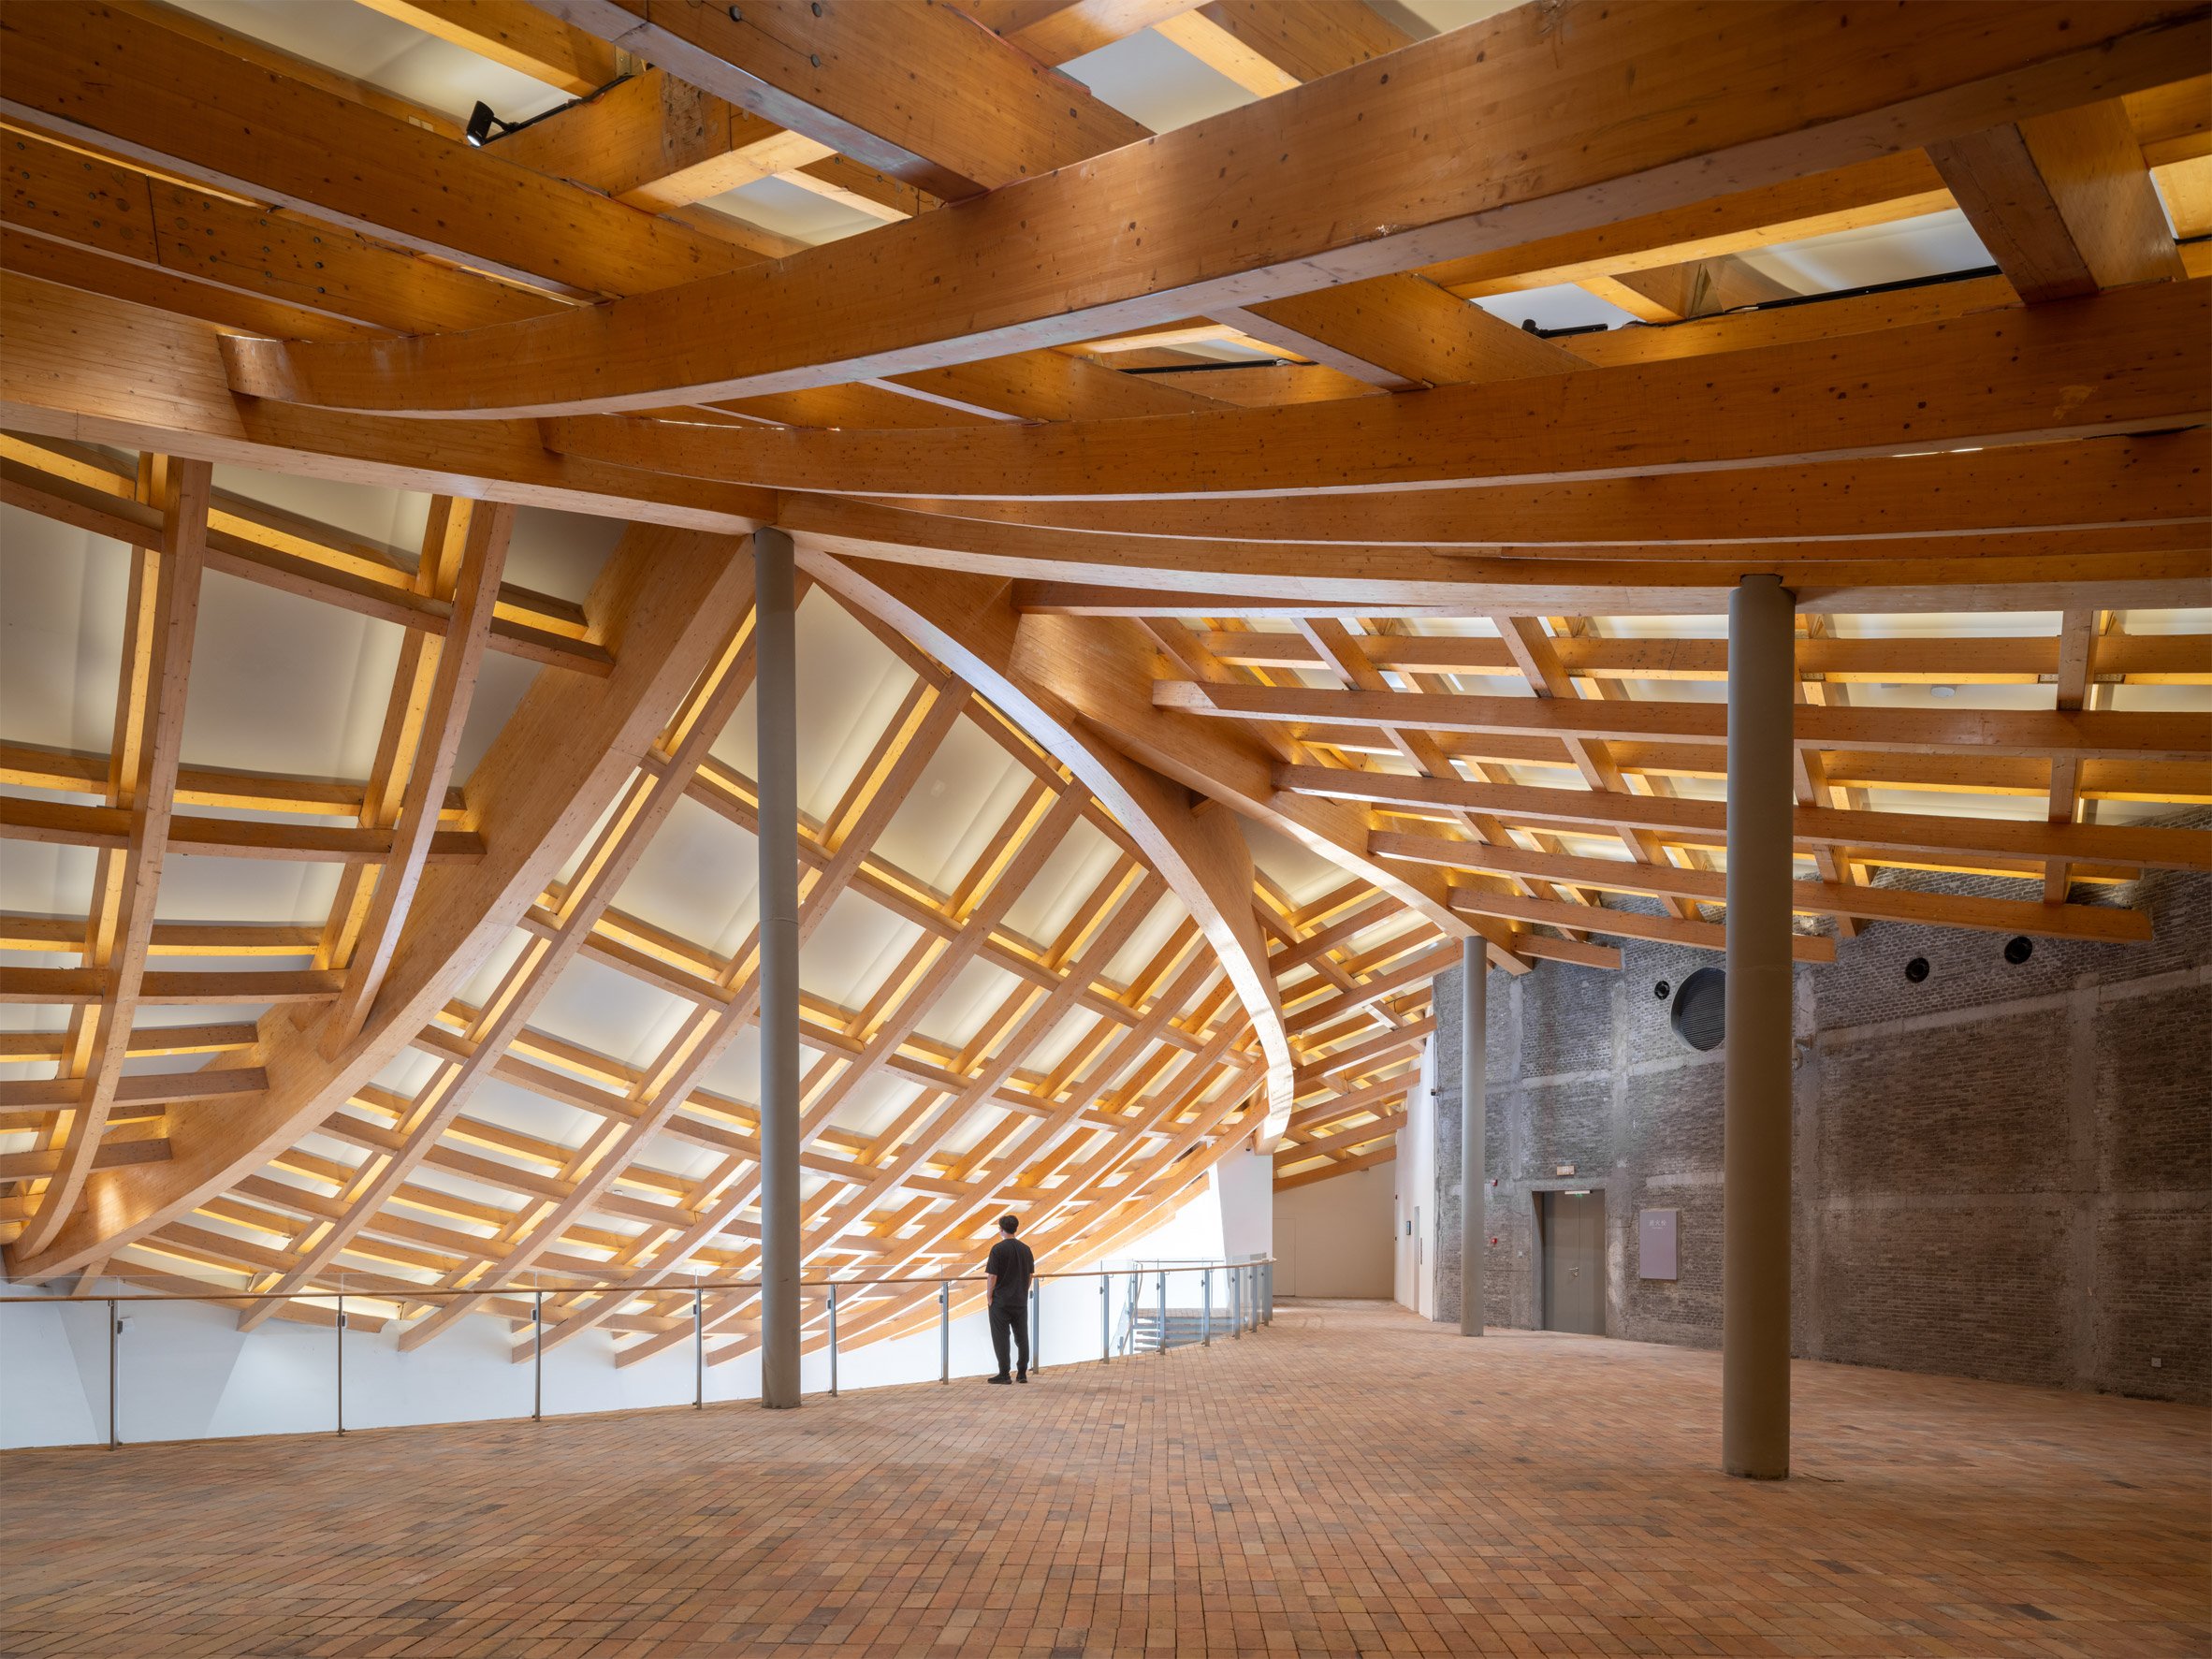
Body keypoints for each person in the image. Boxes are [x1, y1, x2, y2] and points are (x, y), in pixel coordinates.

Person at [983, 1213, 1036, 1384]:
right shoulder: (1026, 1249)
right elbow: (1030, 1275)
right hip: (1020, 1301)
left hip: (1001, 1301)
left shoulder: (997, 1249)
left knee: (1001, 1337)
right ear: (1015, 1228)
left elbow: (992, 1276)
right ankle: (1022, 1373)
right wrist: (1023, 1291)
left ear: (1001, 1229)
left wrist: (989, 1296)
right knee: (1022, 1337)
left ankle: (1004, 1374)